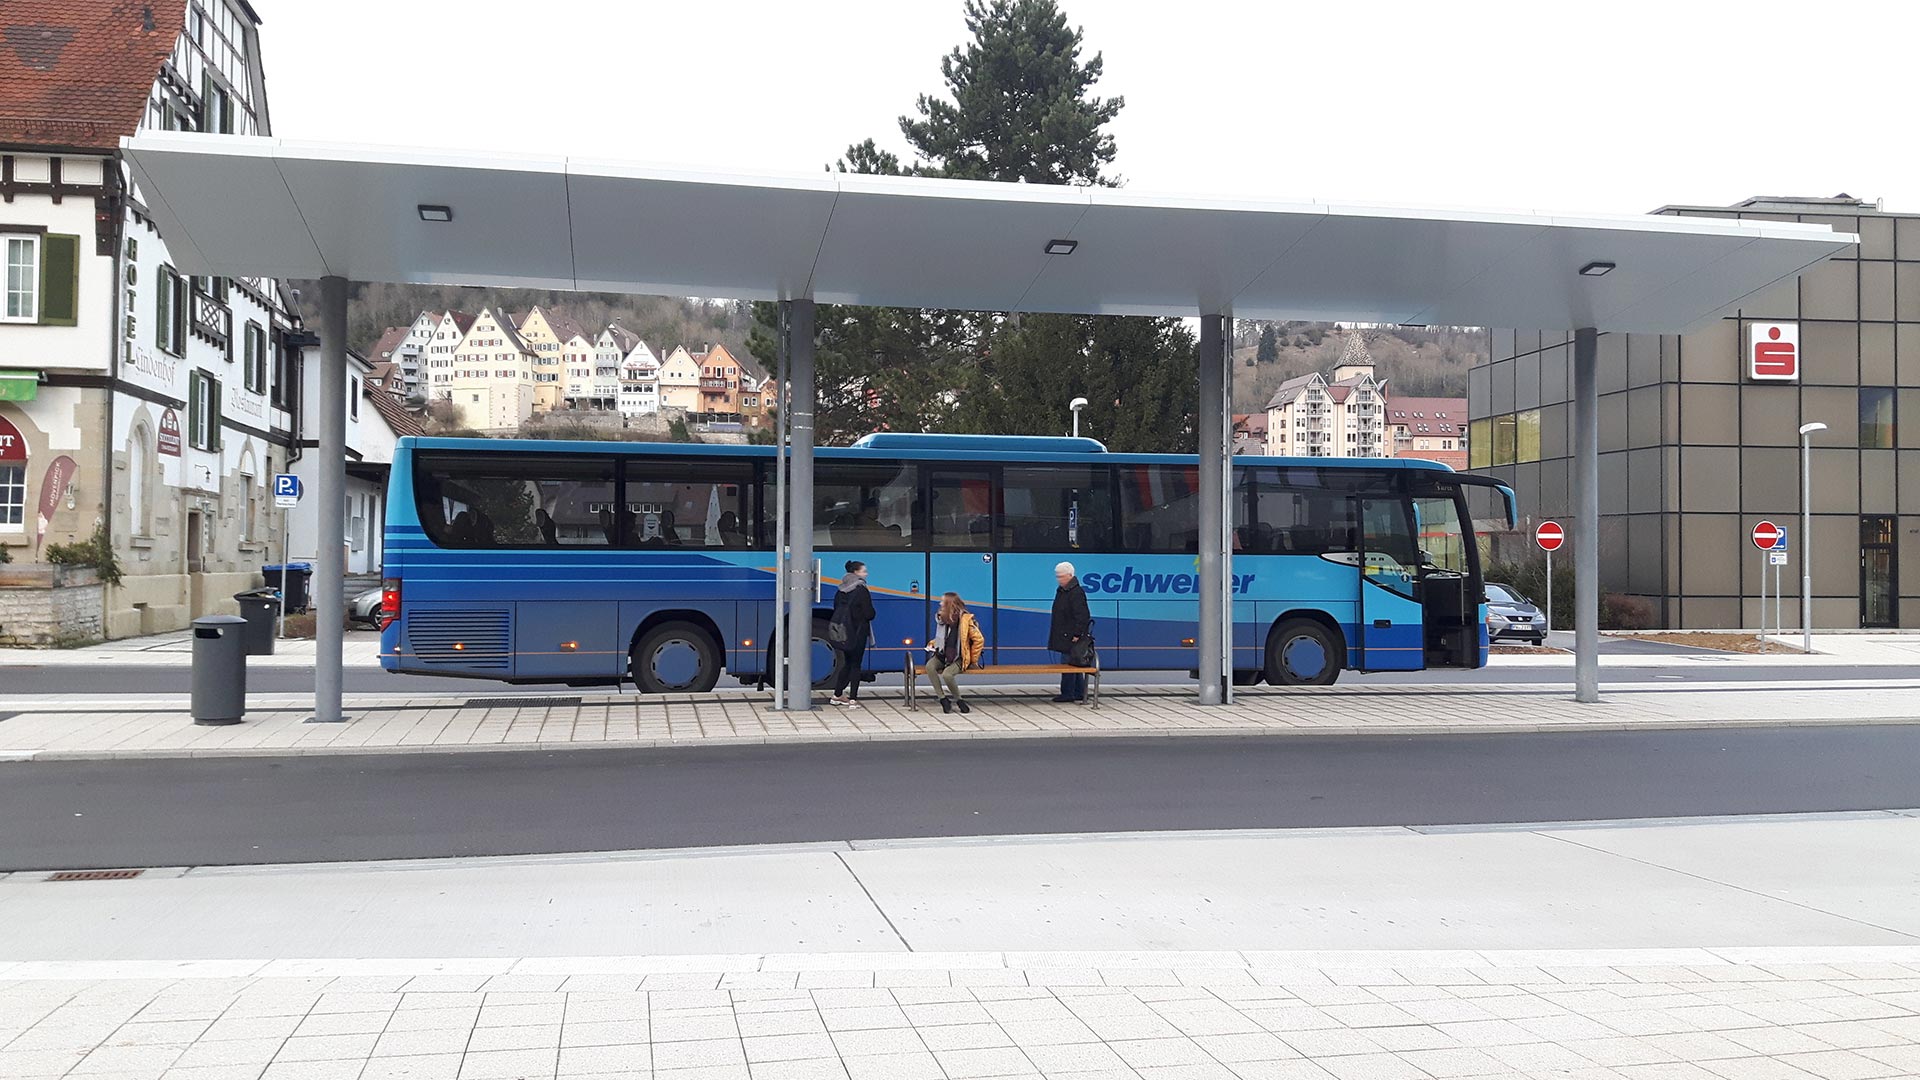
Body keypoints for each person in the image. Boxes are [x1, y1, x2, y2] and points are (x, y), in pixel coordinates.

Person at [924, 592, 985, 715]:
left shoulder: (965, 620)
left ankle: (959, 700)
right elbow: (943, 638)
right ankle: (943, 699)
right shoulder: (942, 619)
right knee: (930, 667)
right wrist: (933, 644)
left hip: (959, 657)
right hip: (942, 654)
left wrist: (973, 660)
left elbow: (979, 639)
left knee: (947, 675)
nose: (940, 604)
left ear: (949, 604)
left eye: (942, 602)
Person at [828, 560, 876, 708]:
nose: (866, 574)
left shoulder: (840, 590)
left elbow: (835, 608)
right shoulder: (861, 589)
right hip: (858, 631)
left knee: (847, 663)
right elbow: (869, 613)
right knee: (856, 665)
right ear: (856, 573)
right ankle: (853, 699)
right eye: (863, 571)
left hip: (843, 632)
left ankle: (837, 695)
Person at [1049, 561, 1092, 702]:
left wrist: (1077, 634)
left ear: (1070, 575)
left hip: (1071, 636)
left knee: (1068, 664)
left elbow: (1082, 616)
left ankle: (1068, 693)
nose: (1058, 579)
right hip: (1064, 634)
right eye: (1057, 576)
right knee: (1074, 663)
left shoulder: (1076, 592)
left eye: (1061, 576)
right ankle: (1078, 692)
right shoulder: (1063, 590)